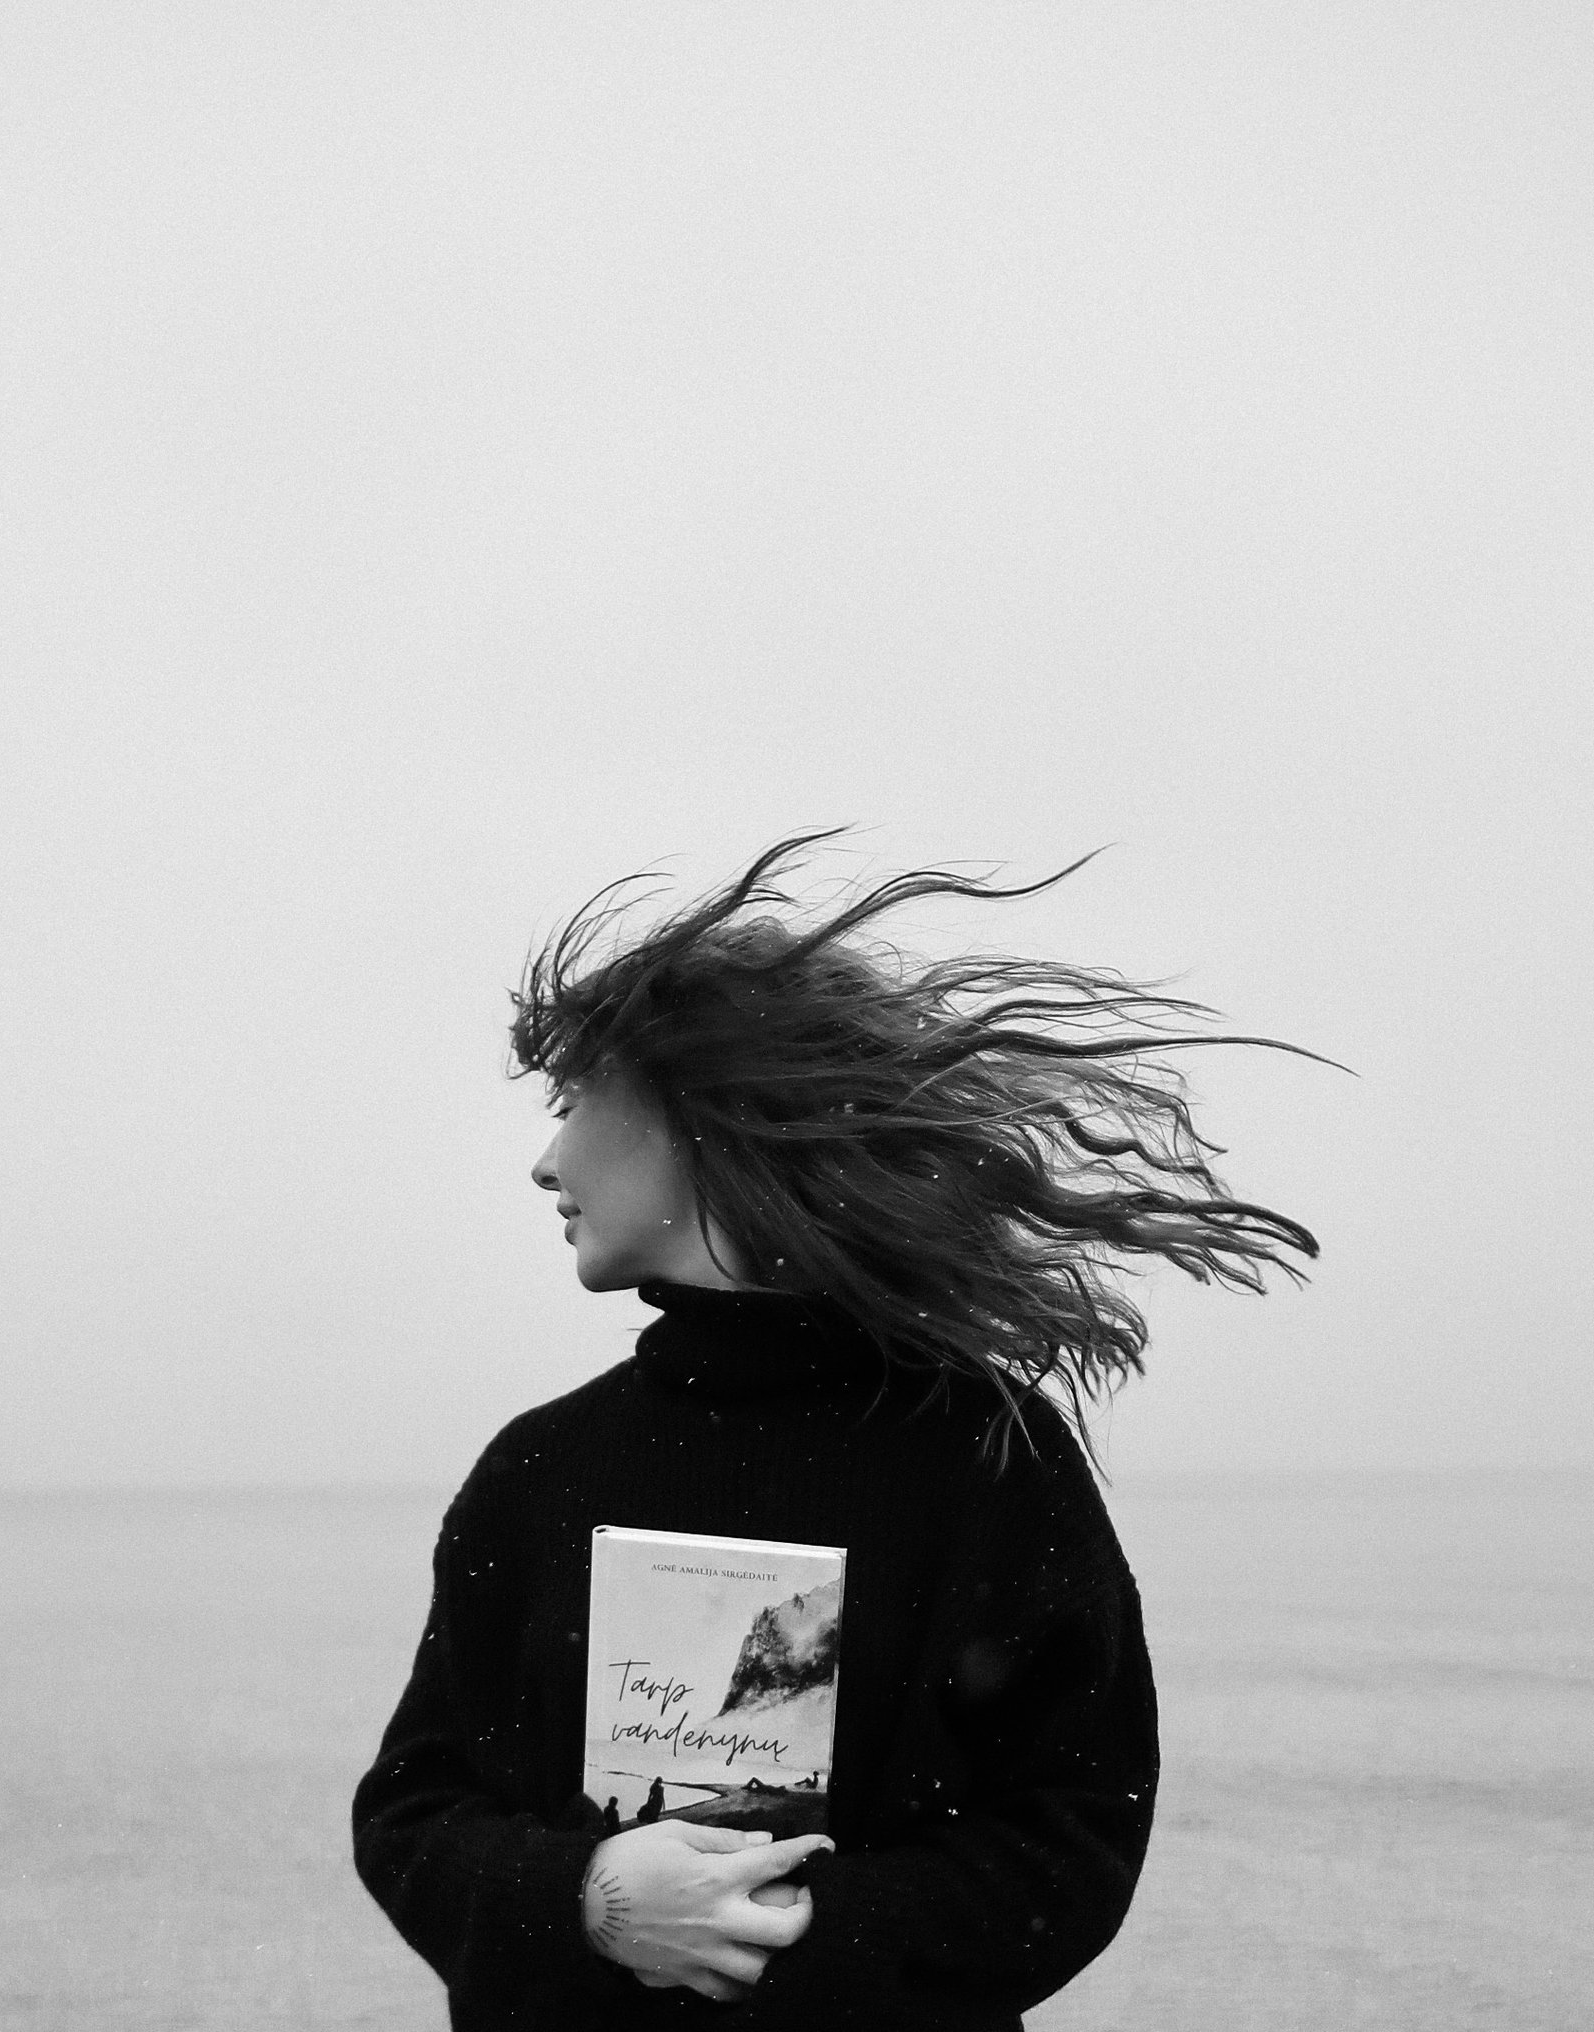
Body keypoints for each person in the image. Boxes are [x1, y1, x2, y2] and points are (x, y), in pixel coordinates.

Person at [352, 835, 1319, 2028]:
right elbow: (413, 1813)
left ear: (698, 1113)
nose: (544, 1164)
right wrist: (588, 1902)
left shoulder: (980, 1454)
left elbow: (1071, 1840)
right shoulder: (540, 1466)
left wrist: (782, 1936)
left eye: (573, 1101)